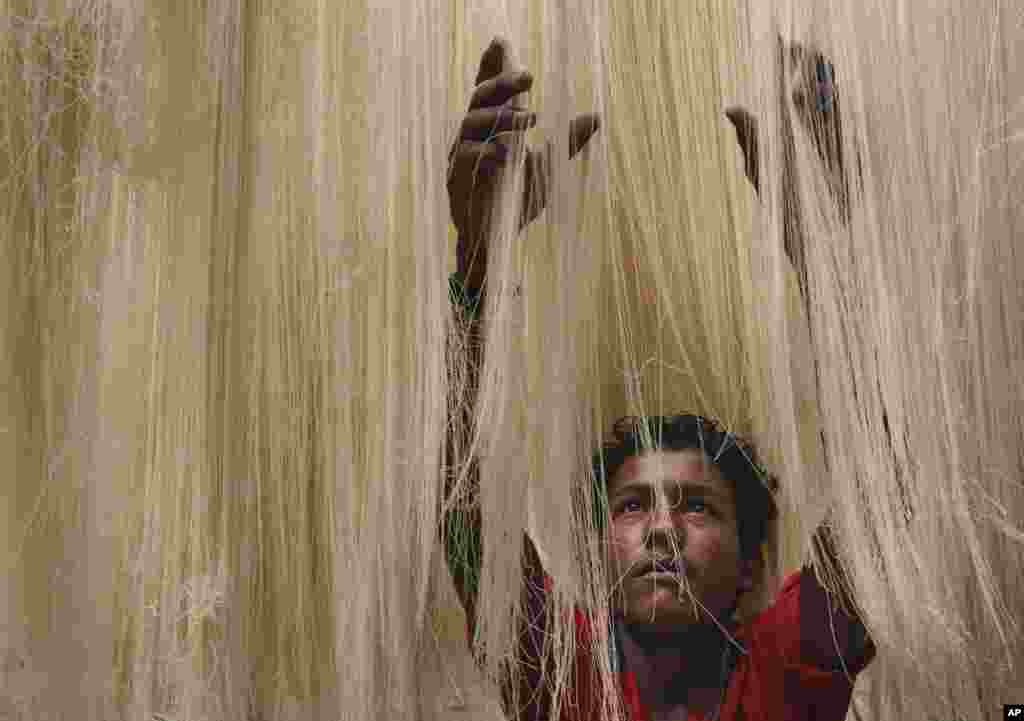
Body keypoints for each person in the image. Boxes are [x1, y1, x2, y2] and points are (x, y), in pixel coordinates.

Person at [444, 37, 872, 721]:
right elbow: (469, 522)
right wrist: (476, 262)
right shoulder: (564, 679)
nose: (662, 529)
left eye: (698, 506)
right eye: (632, 505)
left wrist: (825, 251)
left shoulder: (789, 666)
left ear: (752, 563)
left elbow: (880, 518)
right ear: (597, 551)